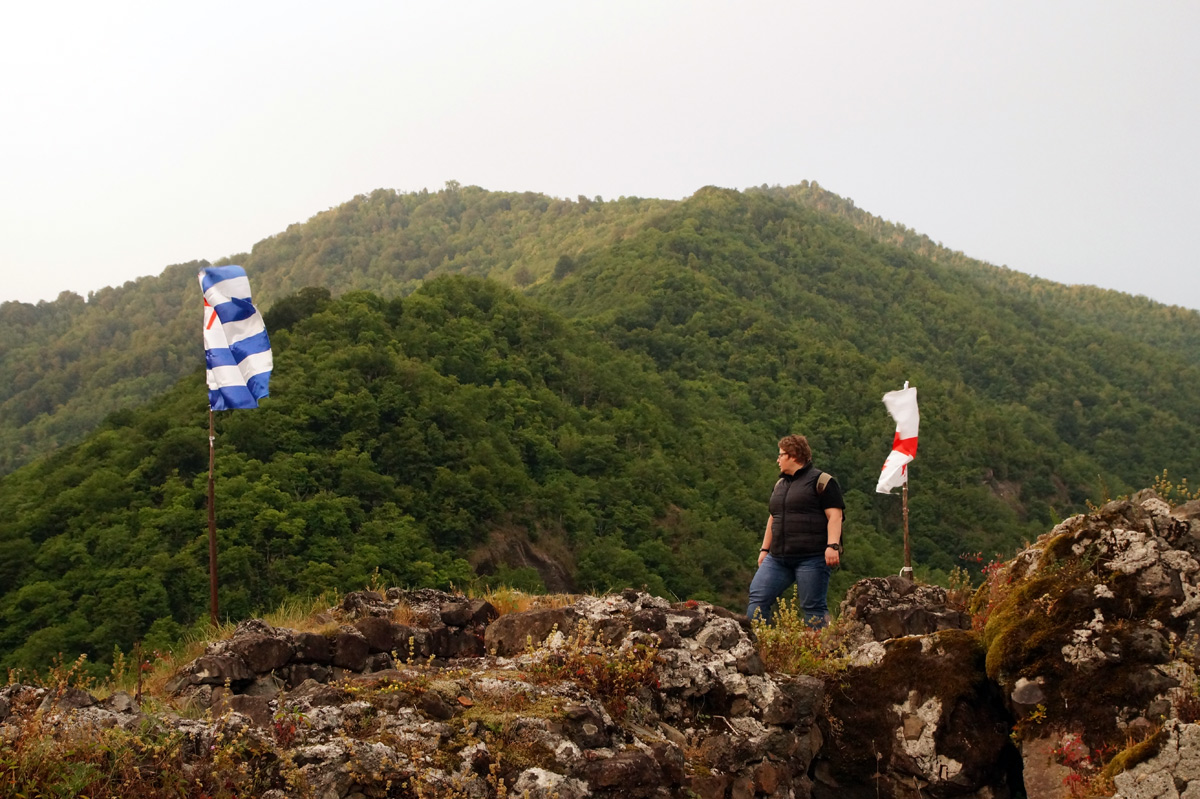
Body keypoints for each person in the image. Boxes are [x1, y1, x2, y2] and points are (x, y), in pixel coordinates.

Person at [746, 434, 846, 627]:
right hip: (778, 559)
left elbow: (835, 516)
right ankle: (763, 649)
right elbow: (773, 518)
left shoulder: (823, 481)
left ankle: (821, 654)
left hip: (812, 558)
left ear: (793, 456)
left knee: (813, 609)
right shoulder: (780, 485)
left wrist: (832, 546)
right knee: (757, 602)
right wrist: (764, 550)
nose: (777, 459)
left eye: (781, 455)